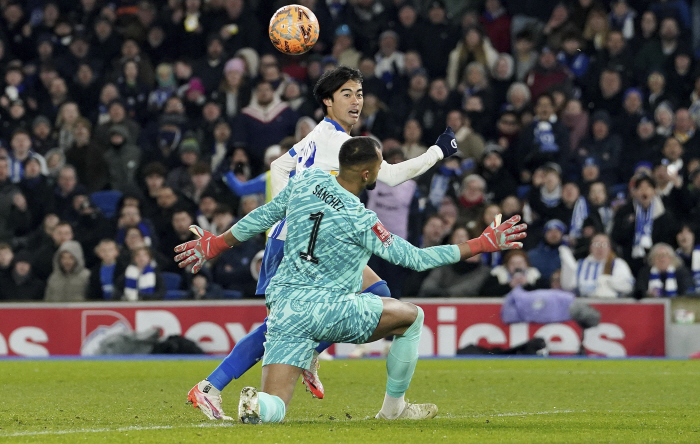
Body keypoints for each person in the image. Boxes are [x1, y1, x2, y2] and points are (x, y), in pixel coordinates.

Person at [174, 136, 527, 423]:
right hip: (331, 310)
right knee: (411, 317)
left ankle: (257, 405)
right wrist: (481, 243)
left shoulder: (306, 182)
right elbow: (416, 259)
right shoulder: (362, 219)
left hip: (285, 307)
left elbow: (262, 216)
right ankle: (394, 409)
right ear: (368, 174)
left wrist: (216, 243)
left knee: (276, 406)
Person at [182, 65, 460, 419]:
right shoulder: (337, 142)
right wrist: (438, 152)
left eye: (359, 94)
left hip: (311, 237)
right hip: (302, 242)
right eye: (346, 94)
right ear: (328, 101)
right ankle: (211, 386)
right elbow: (390, 176)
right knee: (280, 328)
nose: (356, 101)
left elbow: (279, 167)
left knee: (378, 294)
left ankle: (316, 355)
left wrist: (289, 212)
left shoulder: (319, 135)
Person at [559, 233, 634, 298]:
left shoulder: (618, 264)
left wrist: (608, 281)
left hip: (610, 304)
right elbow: (569, 286)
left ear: (609, 248)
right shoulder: (580, 264)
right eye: (596, 244)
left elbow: (628, 286)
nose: (600, 248)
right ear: (590, 248)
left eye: (604, 245)